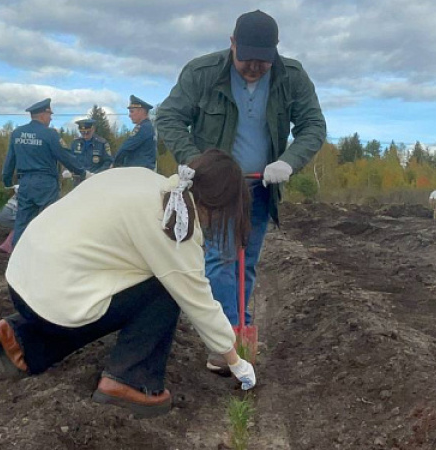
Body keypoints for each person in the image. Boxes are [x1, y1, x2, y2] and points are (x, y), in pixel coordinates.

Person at [0, 149, 257, 419]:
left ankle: (19, 339)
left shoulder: (143, 178)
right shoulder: (173, 221)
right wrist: (234, 359)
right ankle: (131, 381)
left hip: (24, 277)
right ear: (216, 206)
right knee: (166, 290)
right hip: (56, 296)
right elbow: (198, 301)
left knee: (111, 290)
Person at [155, 9, 327, 374]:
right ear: (232, 43)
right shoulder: (202, 73)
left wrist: (289, 162)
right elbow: (169, 116)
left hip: (260, 187)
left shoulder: (291, 76)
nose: (254, 67)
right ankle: (224, 343)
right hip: (216, 188)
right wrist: (193, 160)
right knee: (220, 259)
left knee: (246, 263)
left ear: (275, 51)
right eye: (247, 58)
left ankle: (239, 331)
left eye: (263, 61)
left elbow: (313, 125)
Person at [1, 98, 85, 246]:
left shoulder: (17, 134)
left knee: (22, 222)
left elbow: (9, 161)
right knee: (50, 220)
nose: (50, 118)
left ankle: (18, 254)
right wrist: (82, 172)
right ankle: (48, 253)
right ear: (42, 115)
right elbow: (64, 156)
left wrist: (8, 183)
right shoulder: (49, 134)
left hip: (25, 183)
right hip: (46, 184)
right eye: (49, 115)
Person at [61, 118, 112, 185]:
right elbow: (70, 159)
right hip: (78, 181)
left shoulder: (102, 143)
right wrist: (66, 170)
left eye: (87, 132)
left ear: (93, 129)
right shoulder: (75, 143)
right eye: (82, 132)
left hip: (96, 180)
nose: (85, 135)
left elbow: (108, 162)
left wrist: (96, 174)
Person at [112, 95, 157, 170]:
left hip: (137, 171)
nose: (130, 115)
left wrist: (115, 165)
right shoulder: (149, 127)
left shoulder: (143, 128)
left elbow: (125, 148)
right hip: (146, 169)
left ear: (141, 111)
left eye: (132, 111)